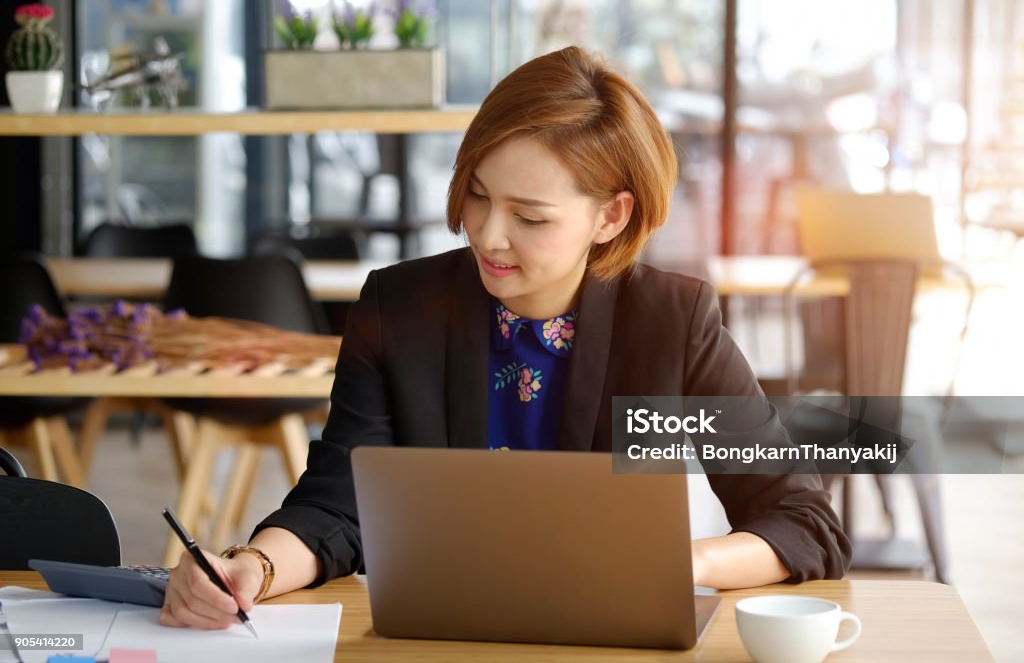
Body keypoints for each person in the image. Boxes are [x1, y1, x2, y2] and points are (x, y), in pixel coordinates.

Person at [160, 46, 851, 630]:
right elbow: (337, 506)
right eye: (479, 193)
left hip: (602, 639)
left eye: (530, 216)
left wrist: (684, 562)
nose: (487, 234)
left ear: (610, 216)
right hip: (442, 638)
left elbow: (803, 520)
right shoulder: (399, 307)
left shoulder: (670, 321)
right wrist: (254, 565)